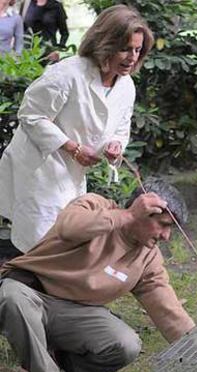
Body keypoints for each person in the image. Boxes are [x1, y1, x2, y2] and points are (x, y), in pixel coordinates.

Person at [0, 178, 196, 372]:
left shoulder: (148, 258)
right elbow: (68, 227)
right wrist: (125, 215)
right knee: (11, 296)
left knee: (127, 344)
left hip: (75, 312)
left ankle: (70, 365)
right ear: (142, 209)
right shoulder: (95, 205)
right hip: (30, 292)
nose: (167, 236)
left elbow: (171, 313)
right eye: (163, 225)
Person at [0, 5, 154, 254]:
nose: (132, 57)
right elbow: (30, 115)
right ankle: (23, 290)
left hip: (72, 174)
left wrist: (115, 145)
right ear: (105, 44)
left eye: (138, 50)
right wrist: (73, 148)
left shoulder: (126, 86)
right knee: (39, 241)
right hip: (40, 168)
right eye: (125, 49)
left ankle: (49, 288)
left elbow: (120, 125)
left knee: (67, 234)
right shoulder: (67, 73)